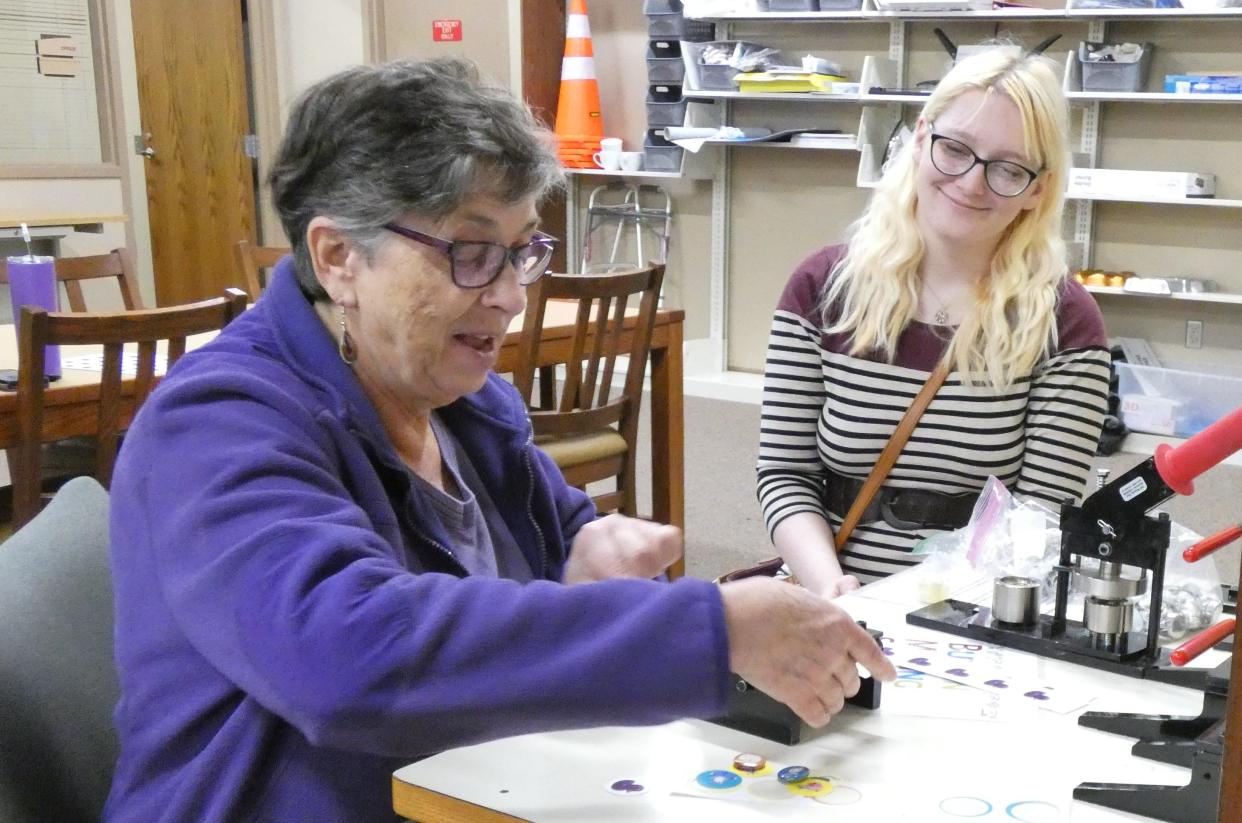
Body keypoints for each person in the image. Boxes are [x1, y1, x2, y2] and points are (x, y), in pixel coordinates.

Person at [104, 58, 895, 822]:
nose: (513, 295)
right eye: (473, 254)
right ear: (339, 257)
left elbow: (558, 561)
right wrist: (713, 627)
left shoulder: (461, 403)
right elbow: (347, 655)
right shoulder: (217, 421)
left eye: (522, 252)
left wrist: (587, 563)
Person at [757, 48, 1111, 600]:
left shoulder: (1064, 322)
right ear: (921, 139)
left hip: (974, 618)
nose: (972, 183)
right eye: (956, 149)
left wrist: (922, 611)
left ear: (1038, 188)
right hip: (834, 606)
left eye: (1009, 168)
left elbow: (1040, 521)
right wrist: (833, 589)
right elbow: (785, 476)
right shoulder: (822, 288)